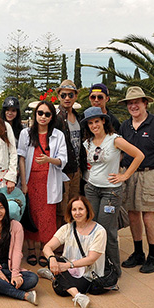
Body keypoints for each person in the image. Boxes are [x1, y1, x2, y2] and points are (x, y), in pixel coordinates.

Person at [81, 106, 144, 277]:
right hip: (92, 189)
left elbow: (139, 155)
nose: (94, 125)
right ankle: (95, 266)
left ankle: (113, 270)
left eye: (96, 121)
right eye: (90, 123)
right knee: (92, 228)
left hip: (111, 192)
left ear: (103, 121)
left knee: (107, 230)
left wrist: (124, 175)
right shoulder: (87, 143)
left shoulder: (115, 139)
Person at [118, 87, 154, 274]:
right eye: (130, 102)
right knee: (133, 214)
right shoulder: (125, 126)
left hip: (151, 174)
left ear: (145, 103)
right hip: (129, 174)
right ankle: (137, 253)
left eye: (137, 101)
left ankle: (153, 256)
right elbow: (119, 153)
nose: (133, 105)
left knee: (148, 215)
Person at [18, 101, 67, 266]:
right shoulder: (26, 133)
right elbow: (22, 158)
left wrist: (48, 160)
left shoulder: (57, 135)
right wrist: (24, 183)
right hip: (31, 180)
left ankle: (45, 250)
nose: (43, 117)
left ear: (52, 116)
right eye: (40, 113)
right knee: (31, 216)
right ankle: (31, 250)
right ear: (35, 114)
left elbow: (63, 159)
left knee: (47, 217)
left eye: (47, 114)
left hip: (49, 180)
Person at [40, 196, 107, 308]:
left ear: (87, 210)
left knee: (60, 290)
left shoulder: (99, 231)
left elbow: (91, 259)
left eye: (81, 209)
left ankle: (53, 276)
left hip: (88, 274)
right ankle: (78, 296)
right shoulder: (67, 228)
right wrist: (51, 258)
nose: (77, 213)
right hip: (66, 269)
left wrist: (68, 265)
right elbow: (47, 247)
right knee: (54, 260)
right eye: (74, 210)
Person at [0, 193, 38, 304]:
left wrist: (15, 273)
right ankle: (23, 295)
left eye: (1, 207)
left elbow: (17, 252)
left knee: (33, 278)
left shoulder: (16, 226)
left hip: (11, 269)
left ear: (6, 208)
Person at [55, 80, 82, 226]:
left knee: (74, 206)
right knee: (62, 209)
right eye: (63, 95)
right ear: (58, 96)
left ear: (75, 96)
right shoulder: (56, 117)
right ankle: (59, 247)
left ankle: (71, 241)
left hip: (76, 170)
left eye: (70, 95)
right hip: (62, 170)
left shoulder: (78, 117)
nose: (67, 98)